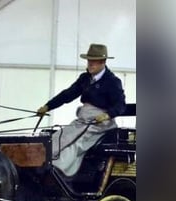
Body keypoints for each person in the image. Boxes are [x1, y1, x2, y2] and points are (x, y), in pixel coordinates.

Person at [37, 43, 126, 176]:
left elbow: (120, 105)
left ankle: (58, 171)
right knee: (59, 136)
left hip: (100, 125)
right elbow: (68, 94)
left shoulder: (112, 82)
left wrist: (107, 115)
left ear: (103, 62)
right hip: (83, 121)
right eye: (89, 61)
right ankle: (41, 162)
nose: (89, 64)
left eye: (93, 61)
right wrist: (48, 106)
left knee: (75, 142)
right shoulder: (85, 79)